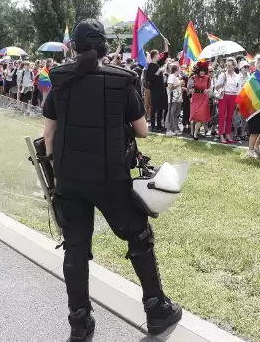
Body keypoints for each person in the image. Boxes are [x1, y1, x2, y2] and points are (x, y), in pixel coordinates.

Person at [44, 19, 182, 342]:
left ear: (74, 47)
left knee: (75, 250)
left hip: (70, 180)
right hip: (110, 179)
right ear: (105, 47)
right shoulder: (122, 82)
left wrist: (57, 171)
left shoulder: (60, 81)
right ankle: (156, 309)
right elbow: (143, 130)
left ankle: (79, 323)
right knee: (139, 236)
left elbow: (48, 136)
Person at [215, 57, 242, 143]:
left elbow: (239, 89)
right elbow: (216, 87)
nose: (228, 67)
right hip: (224, 96)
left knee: (230, 117)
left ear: (234, 66)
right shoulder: (222, 75)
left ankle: (227, 134)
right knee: (222, 116)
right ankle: (221, 135)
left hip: (233, 97)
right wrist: (222, 82)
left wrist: (238, 101)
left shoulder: (238, 76)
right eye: (227, 65)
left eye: (230, 65)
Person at [187, 61, 211, 140]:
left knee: (200, 116)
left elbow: (209, 88)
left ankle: (195, 133)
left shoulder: (207, 78)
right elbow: (189, 87)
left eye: (204, 71)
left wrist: (207, 90)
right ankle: (192, 131)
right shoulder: (193, 77)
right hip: (195, 97)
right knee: (193, 115)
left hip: (203, 98)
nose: (202, 72)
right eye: (201, 71)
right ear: (198, 71)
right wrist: (190, 90)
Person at [165, 63, 183, 136]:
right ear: (177, 69)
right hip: (173, 99)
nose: (180, 70)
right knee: (170, 114)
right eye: (179, 69)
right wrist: (179, 84)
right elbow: (170, 87)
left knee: (176, 115)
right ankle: (168, 130)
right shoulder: (171, 76)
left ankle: (175, 129)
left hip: (178, 99)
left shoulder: (176, 77)